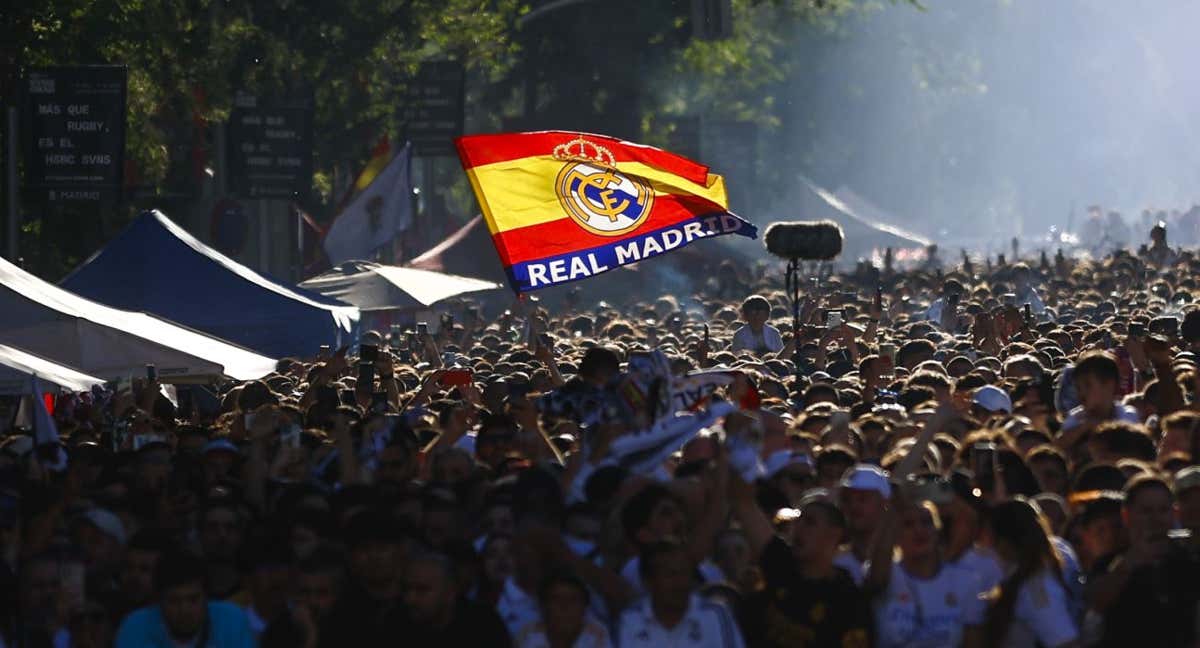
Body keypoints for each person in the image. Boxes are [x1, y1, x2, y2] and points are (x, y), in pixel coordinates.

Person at [732, 481, 872, 648]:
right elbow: (744, 505)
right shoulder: (780, 562)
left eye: (810, 522)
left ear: (834, 534)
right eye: (798, 521)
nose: (798, 528)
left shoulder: (847, 600)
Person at [1086, 474, 1200, 647]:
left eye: (1163, 510)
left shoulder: (1190, 562)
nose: (1156, 519)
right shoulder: (1109, 564)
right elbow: (1094, 606)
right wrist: (1127, 565)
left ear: (1174, 513)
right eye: (1146, 511)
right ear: (1126, 515)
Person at [866, 496, 987, 648]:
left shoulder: (965, 580)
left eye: (926, 522)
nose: (919, 530)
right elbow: (875, 578)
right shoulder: (886, 574)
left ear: (937, 531)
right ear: (895, 535)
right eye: (908, 524)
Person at [986, 498, 1080, 648]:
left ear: (1004, 544)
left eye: (986, 537)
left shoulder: (1037, 589)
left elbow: (1066, 643)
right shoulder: (1015, 580)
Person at [615, 540, 745, 647]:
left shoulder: (715, 614)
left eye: (685, 573)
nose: (680, 583)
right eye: (670, 574)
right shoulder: (629, 620)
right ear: (648, 582)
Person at [114, 550, 256, 648]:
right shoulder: (135, 627)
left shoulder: (231, 620)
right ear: (158, 601)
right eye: (174, 601)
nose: (184, 610)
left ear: (207, 598)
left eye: (193, 599)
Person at [516, 572, 611, 648]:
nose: (565, 606)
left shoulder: (597, 635)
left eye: (573, 599)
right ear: (543, 606)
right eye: (556, 599)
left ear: (584, 607)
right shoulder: (527, 636)